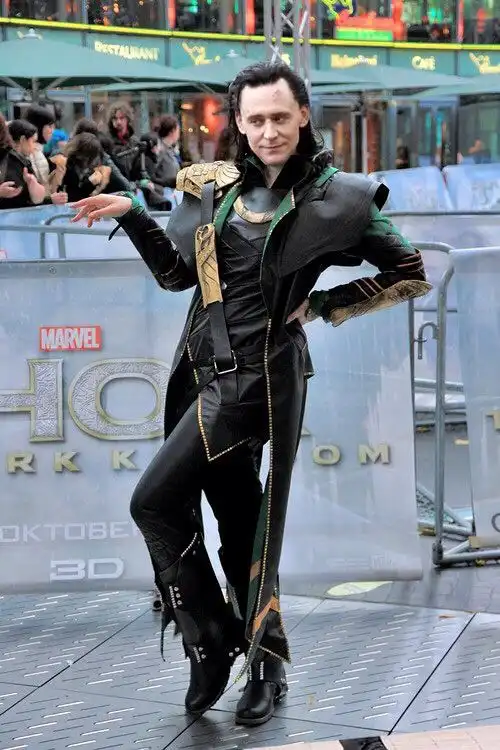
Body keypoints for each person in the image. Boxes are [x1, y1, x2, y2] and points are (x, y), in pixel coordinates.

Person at [71, 61, 431, 728]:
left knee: (152, 501)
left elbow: (409, 270)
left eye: (280, 117)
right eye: (256, 119)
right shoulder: (215, 189)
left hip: (257, 384)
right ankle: (265, 664)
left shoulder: (336, 197)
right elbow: (177, 277)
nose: (268, 131)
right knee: (240, 527)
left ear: (303, 117)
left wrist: (323, 305)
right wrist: (134, 214)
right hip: (202, 374)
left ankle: (210, 640)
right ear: (237, 122)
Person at [0, 117, 45, 209]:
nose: (35, 147)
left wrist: (32, 182)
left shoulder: (22, 161)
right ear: (23, 139)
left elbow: (38, 199)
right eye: (33, 141)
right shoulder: (8, 159)